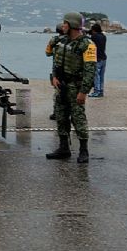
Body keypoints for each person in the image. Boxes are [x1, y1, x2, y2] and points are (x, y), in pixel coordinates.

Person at [46, 12, 97, 164]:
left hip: (76, 86)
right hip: (61, 85)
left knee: (78, 118)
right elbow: (56, 61)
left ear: (72, 25)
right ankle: (63, 148)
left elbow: (90, 70)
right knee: (61, 117)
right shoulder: (62, 41)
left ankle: (83, 150)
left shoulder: (87, 45)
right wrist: (54, 77)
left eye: (65, 23)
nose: (63, 26)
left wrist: (83, 92)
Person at [46, 22, 68, 120]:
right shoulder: (71, 40)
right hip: (70, 69)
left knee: (58, 91)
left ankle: (56, 113)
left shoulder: (54, 40)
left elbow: (48, 53)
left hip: (57, 69)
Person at [89, 23, 107, 97]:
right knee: (101, 76)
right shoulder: (104, 36)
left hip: (97, 58)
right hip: (104, 58)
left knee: (96, 75)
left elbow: (89, 42)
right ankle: (101, 91)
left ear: (94, 30)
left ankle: (97, 91)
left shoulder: (94, 36)